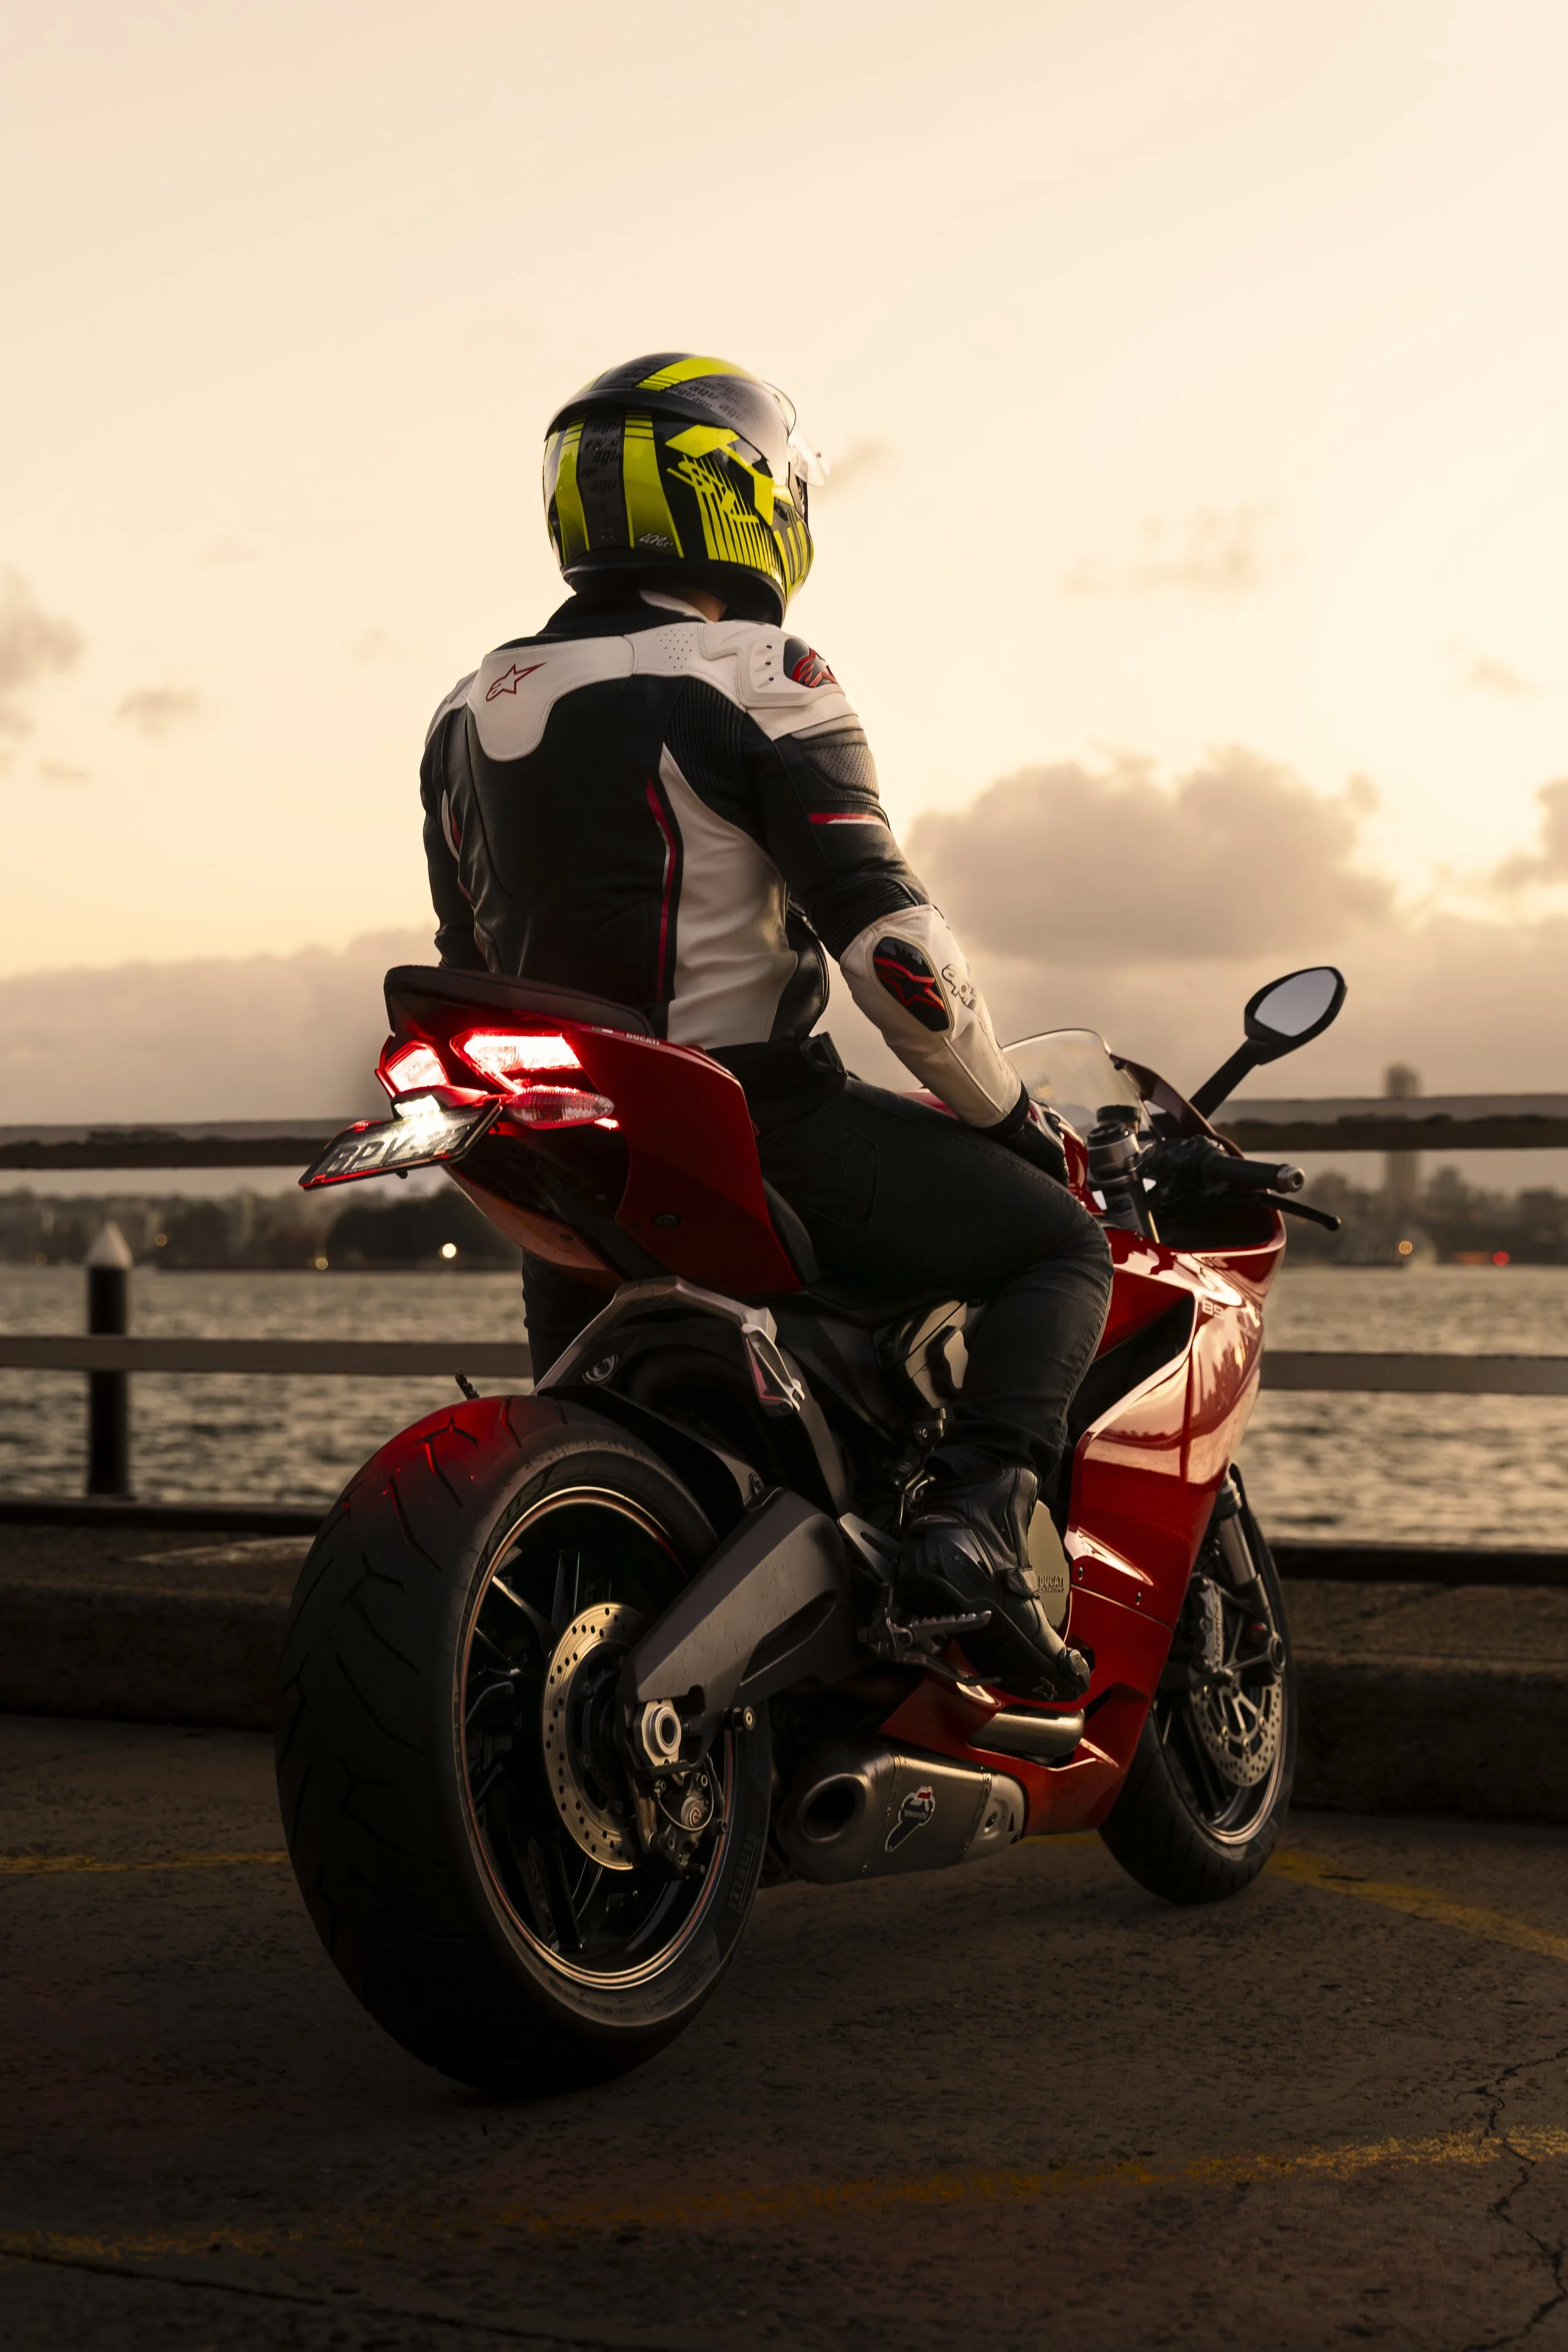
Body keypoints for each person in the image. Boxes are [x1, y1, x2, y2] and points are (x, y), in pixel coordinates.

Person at [420, 353, 1111, 1698]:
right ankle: (971, 1522)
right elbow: (894, 956)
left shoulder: (464, 708)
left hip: (561, 1147)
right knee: (1059, 1249)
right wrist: (1010, 1120)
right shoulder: (757, 673)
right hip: (750, 1123)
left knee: (593, 1442)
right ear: (746, 500)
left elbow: (473, 954)